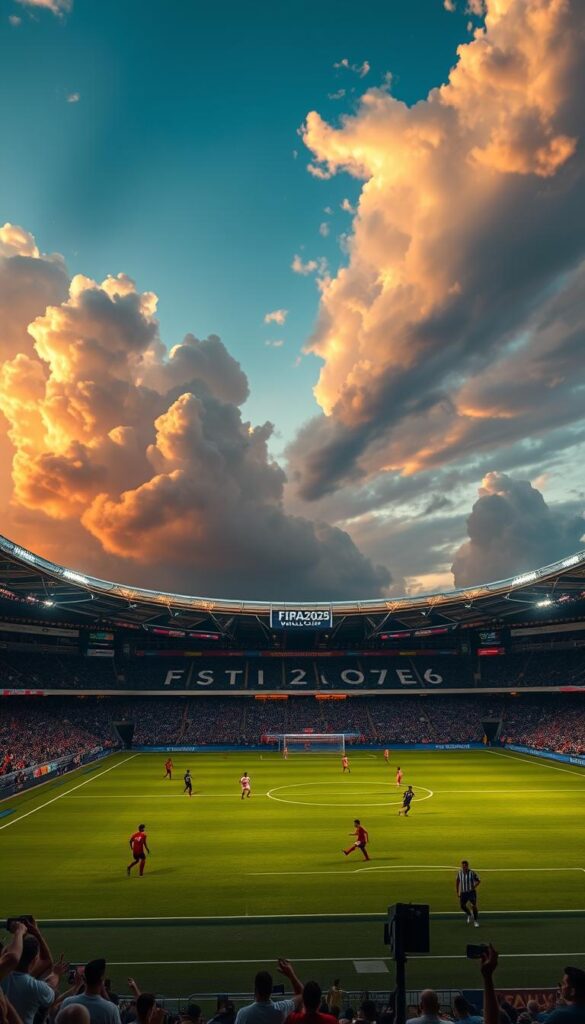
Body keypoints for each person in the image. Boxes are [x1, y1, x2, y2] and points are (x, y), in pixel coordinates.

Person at [0, 929, 63, 1024]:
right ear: (34, 960)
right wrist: (56, 974)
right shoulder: (36, 987)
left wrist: (19, 933)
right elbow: (47, 962)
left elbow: (10, 956)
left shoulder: (2, 975)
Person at [234, 958, 303, 1024]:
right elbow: (303, 995)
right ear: (271, 990)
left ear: (255, 990)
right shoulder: (282, 1008)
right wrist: (291, 975)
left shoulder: (243, 1014)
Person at [60, 959, 122, 1024]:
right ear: (102, 979)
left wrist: (76, 986)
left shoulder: (68, 1002)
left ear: (85, 978)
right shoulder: (111, 1009)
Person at [456, 860, 481, 927]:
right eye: (462, 866)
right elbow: (457, 882)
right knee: (462, 906)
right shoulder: (459, 873)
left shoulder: (472, 873)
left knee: (473, 906)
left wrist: (474, 886)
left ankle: (476, 921)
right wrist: (458, 891)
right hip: (463, 892)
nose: (463, 868)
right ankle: (469, 914)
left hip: (471, 892)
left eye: (465, 866)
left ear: (467, 866)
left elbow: (478, 880)